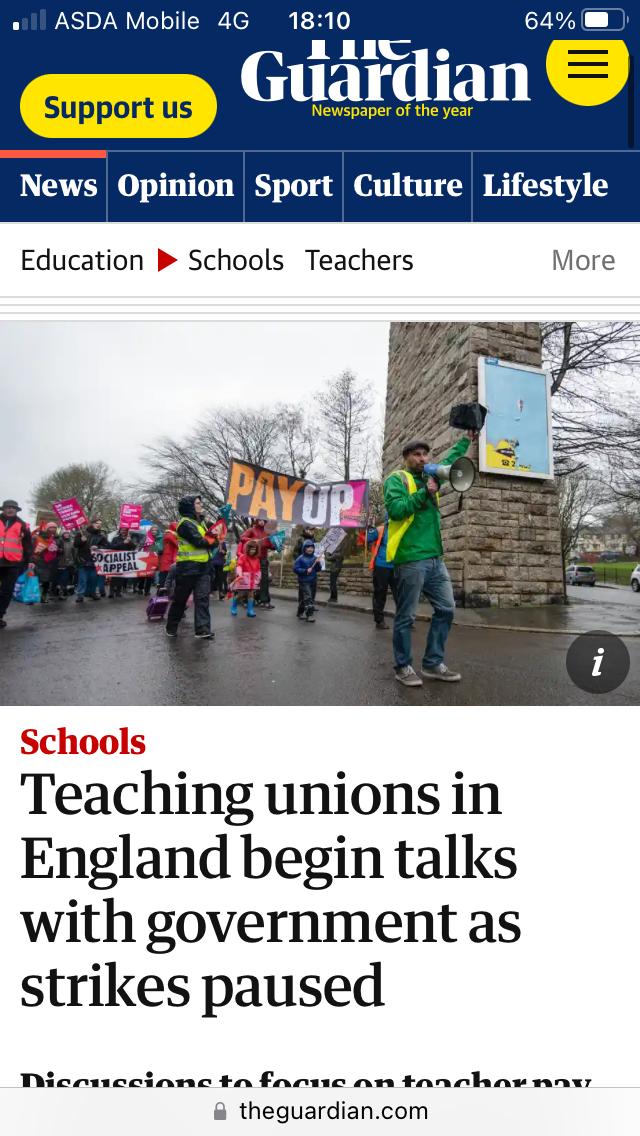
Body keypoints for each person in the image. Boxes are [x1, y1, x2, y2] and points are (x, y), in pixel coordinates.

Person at [384, 431, 476, 687]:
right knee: (406, 616)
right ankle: (403, 666)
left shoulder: (431, 475)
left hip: (435, 559)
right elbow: (396, 510)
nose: (423, 459)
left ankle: (432, 663)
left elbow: (451, 460)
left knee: (446, 608)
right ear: (406, 458)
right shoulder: (396, 480)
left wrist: (467, 440)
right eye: (417, 455)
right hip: (410, 558)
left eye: (426, 454)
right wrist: (425, 492)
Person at [165, 495, 216, 639]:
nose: (201, 505)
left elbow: (210, 540)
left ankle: (202, 630)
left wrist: (214, 537)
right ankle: (171, 627)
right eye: (198, 503)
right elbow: (199, 542)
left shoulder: (201, 523)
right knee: (180, 600)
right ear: (190, 506)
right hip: (187, 568)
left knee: (202, 599)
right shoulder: (185, 524)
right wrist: (213, 541)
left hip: (203, 567)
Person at [0, 499, 32, 628]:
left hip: (13, 563)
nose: (10, 509)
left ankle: (0, 615)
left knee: (6, 591)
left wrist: (30, 560)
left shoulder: (22, 525)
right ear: (3, 509)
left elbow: (28, 545)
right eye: (8, 507)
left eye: (13, 507)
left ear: (16, 510)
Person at [239, 518, 275, 608]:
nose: (262, 521)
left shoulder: (267, 532)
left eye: (264, 520)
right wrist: (253, 540)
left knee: (264, 580)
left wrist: (276, 545)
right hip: (252, 559)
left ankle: (264, 601)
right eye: (260, 520)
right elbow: (242, 537)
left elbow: (270, 545)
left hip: (263, 559)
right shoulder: (252, 530)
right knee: (249, 579)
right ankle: (245, 599)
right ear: (257, 520)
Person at [369, 518, 397, 630]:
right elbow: (367, 539)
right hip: (381, 565)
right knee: (380, 593)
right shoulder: (381, 529)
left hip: (397, 566)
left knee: (400, 594)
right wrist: (368, 529)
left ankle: (404, 617)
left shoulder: (402, 528)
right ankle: (379, 620)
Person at [74, 520, 108, 602]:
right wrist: (81, 541)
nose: (99, 525)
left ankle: (92, 593)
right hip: (83, 560)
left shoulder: (101, 536)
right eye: (97, 523)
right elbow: (75, 544)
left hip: (95, 561)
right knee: (82, 579)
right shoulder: (82, 533)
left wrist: (98, 547)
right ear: (92, 524)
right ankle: (80, 595)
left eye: (100, 524)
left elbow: (106, 546)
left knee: (93, 579)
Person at [229, 539, 260, 617]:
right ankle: (234, 607)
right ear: (248, 549)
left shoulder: (256, 559)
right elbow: (239, 566)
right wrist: (239, 575)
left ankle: (250, 610)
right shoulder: (243, 557)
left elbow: (258, 569)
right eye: (251, 549)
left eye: (254, 549)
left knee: (251, 594)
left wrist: (258, 577)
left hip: (252, 579)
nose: (252, 551)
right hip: (243, 579)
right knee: (240, 595)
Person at [293, 539, 322, 622]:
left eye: (312, 547)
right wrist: (305, 571)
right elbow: (295, 569)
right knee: (308, 597)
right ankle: (309, 614)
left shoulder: (315, 558)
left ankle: (300, 612)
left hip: (313, 581)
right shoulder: (300, 558)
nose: (310, 549)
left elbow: (318, 569)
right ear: (304, 548)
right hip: (304, 581)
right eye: (308, 547)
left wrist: (318, 563)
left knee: (307, 598)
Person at [32, 521, 60, 603]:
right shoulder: (39, 537)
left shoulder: (57, 538)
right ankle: (32, 596)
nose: (53, 529)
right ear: (47, 528)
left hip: (51, 562)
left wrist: (57, 549)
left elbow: (59, 550)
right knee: (36, 580)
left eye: (55, 527)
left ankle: (43, 597)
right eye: (51, 527)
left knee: (47, 581)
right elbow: (32, 548)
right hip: (39, 561)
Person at [108, 528, 136, 598]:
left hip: (124, 561)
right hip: (116, 560)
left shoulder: (129, 539)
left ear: (127, 531)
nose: (123, 531)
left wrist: (129, 542)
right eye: (122, 530)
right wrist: (123, 542)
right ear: (120, 531)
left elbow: (134, 548)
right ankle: (111, 592)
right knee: (114, 576)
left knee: (121, 576)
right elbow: (112, 547)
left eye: (125, 530)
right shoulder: (115, 539)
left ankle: (118, 591)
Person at [54, 530, 75, 598]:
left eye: (67, 533)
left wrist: (73, 560)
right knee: (60, 578)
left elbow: (73, 552)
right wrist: (59, 550)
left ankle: (65, 591)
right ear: (62, 534)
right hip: (60, 562)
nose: (66, 535)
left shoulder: (71, 542)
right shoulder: (59, 541)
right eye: (65, 533)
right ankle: (59, 592)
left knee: (67, 577)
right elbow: (55, 550)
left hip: (69, 562)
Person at [158, 521, 179, 589]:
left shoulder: (170, 535)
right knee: (165, 576)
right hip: (167, 559)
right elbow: (178, 545)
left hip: (168, 558)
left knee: (167, 576)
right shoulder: (170, 535)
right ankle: (161, 591)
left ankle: (164, 590)